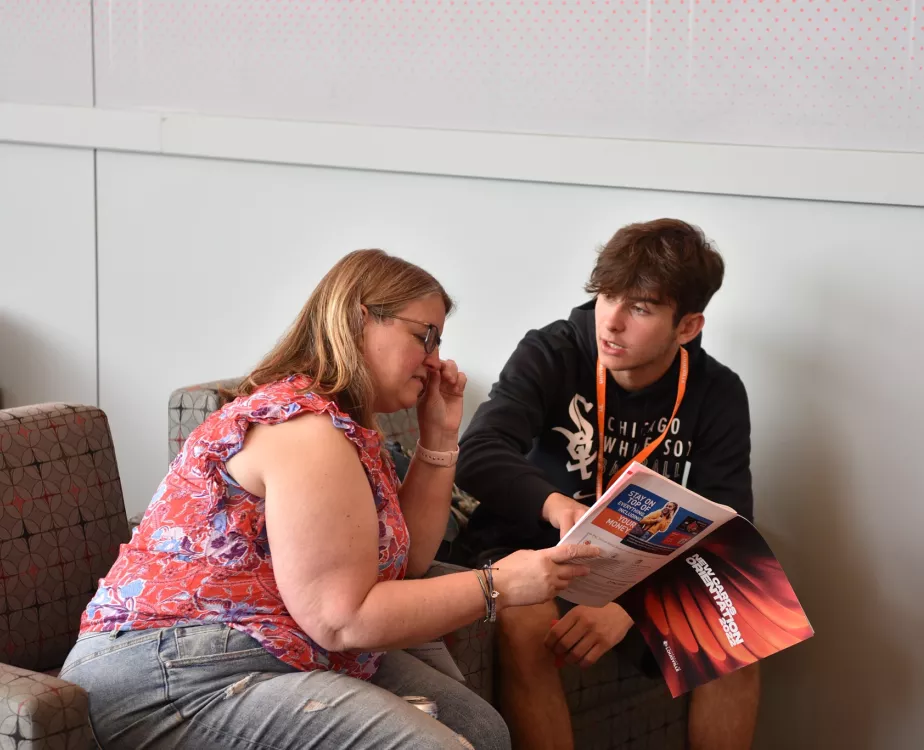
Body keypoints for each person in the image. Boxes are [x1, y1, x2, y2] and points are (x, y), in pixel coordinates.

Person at [60, 249, 599, 750]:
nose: (435, 360)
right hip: (175, 668)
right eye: (425, 335)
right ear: (362, 319)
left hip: (276, 646)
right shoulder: (305, 430)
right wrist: (499, 583)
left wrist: (437, 435)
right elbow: (340, 620)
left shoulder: (345, 428)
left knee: (480, 731)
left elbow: (404, 564)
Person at [455, 219, 761, 750]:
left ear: (687, 327)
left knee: (740, 638)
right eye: (607, 296)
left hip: (641, 566)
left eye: (640, 308)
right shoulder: (553, 351)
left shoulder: (717, 393)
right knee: (527, 624)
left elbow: (730, 530)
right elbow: (479, 453)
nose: (611, 323)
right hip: (533, 546)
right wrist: (556, 508)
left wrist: (634, 604)